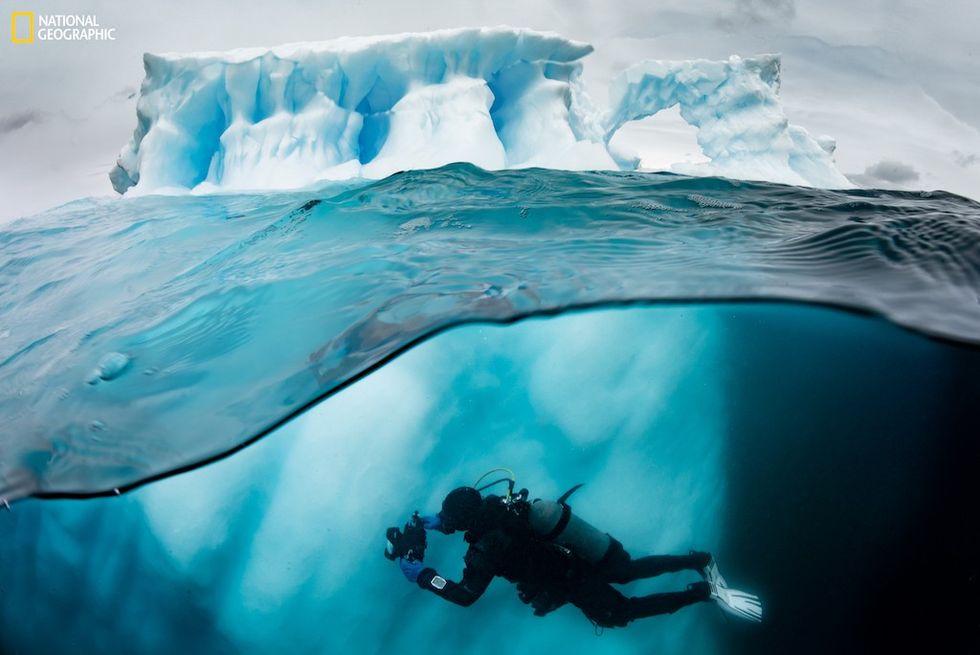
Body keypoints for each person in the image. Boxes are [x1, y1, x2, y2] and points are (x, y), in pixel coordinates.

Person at [395, 486, 762, 628]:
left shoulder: (485, 548)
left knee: (621, 613)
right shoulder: (497, 507)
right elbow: (470, 513)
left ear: (465, 521)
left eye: (451, 520)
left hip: (567, 581)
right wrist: (440, 522)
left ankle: (703, 593)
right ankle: (697, 560)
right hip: (573, 556)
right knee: (629, 571)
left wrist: (424, 575)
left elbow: (466, 595)